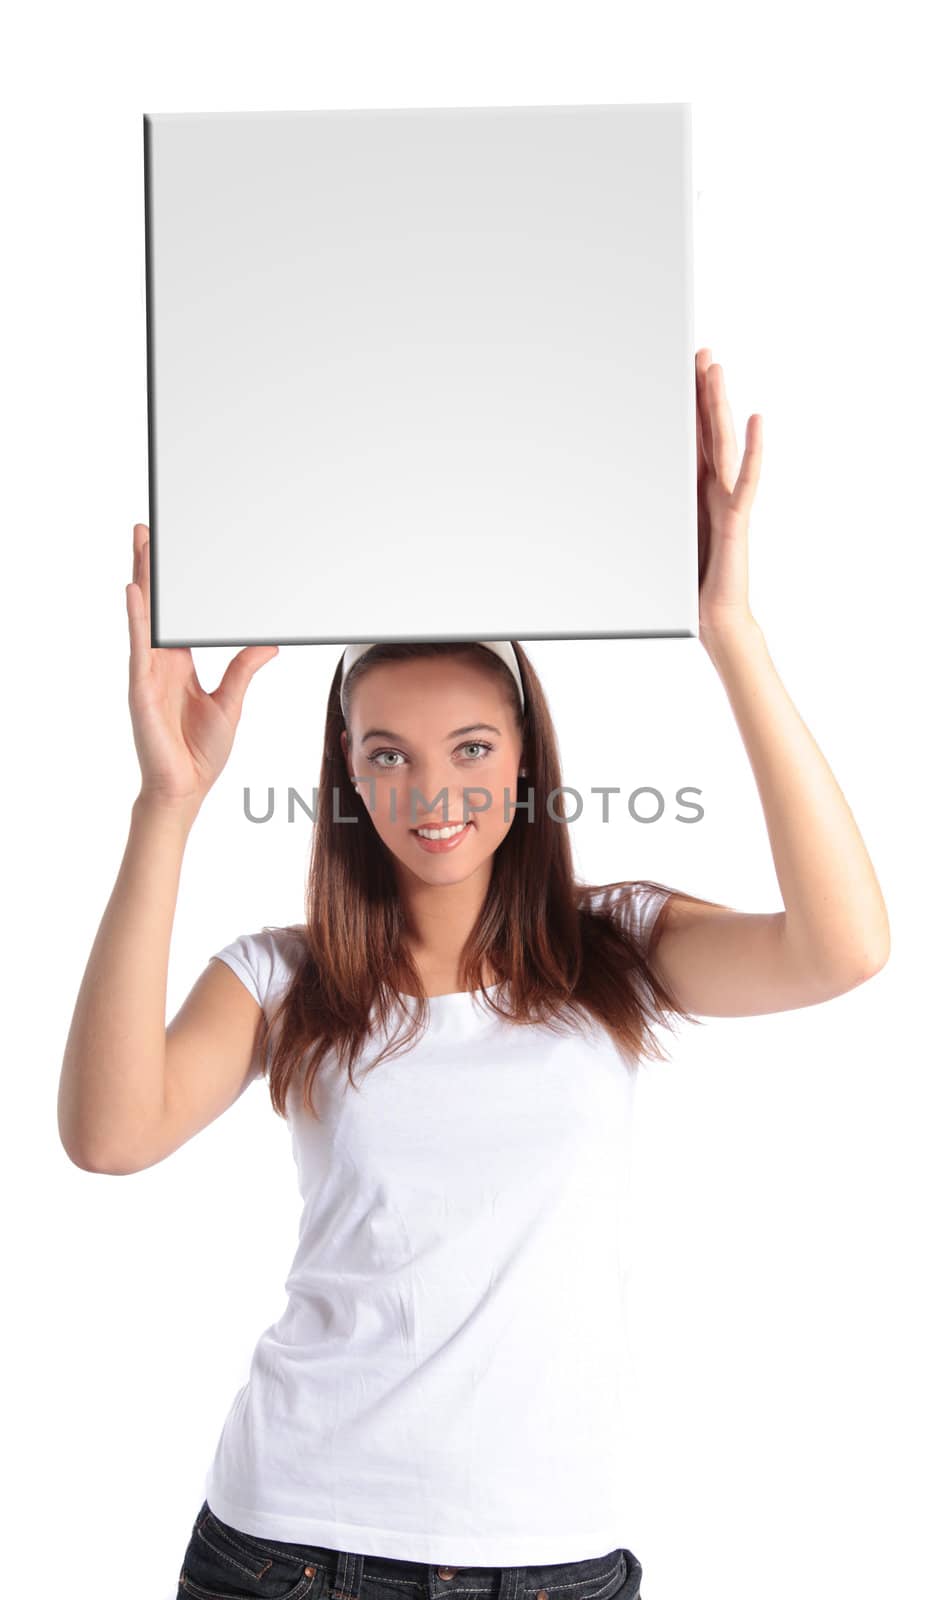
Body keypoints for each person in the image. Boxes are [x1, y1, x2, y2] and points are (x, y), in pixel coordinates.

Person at [58, 349, 889, 1600]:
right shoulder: (282, 979)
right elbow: (110, 1136)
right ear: (346, 773)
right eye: (386, 754)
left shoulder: (617, 945)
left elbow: (845, 946)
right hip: (292, 1548)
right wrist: (166, 802)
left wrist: (731, 634)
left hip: (552, 1561)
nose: (432, 791)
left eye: (471, 747)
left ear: (523, 759)